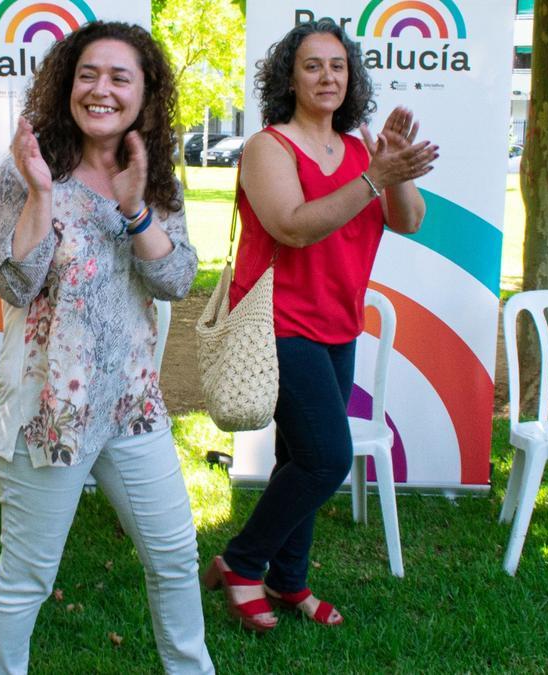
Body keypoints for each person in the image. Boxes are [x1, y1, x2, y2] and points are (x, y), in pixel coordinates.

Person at [0, 21, 213, 674]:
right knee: (27, 572)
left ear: (145, 93)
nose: (101, 89)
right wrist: (42, 195)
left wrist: (137, 211)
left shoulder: (152, 174)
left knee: (174, 556)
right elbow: (11, 280)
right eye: (88, 74)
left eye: (119, 77)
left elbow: (176, 279)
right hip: (50, 408)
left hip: (134, 407)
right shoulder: (25, 171)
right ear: (65, 84)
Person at [204, 19, 436, 632]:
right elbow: (293, 225)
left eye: (338, 65)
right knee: (327, 459)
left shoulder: (364, 150)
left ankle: (289, 580)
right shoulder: (268, 147)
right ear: (289, 77)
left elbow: (408, 221)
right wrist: (372, 180)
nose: (327, 76)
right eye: (312, 65)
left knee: (297, 458)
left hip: (338, 325)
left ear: (351, 76)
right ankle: (243, 562)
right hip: (281, 326)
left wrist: (395, 169)